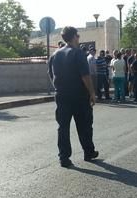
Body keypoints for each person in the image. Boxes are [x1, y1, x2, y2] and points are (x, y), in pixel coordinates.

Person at [48, 26, 99, 168]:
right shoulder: (78, 53)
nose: (79, 38)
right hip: (79, 96)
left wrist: (59, 87)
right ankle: (88, 152)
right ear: (74, 37)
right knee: (85, 125)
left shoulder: (55, 54)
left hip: (62, 95)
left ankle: (64, 158)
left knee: (63, 127)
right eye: (78, 35)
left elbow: (51, 74)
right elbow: (85, 76)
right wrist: (92, 93)